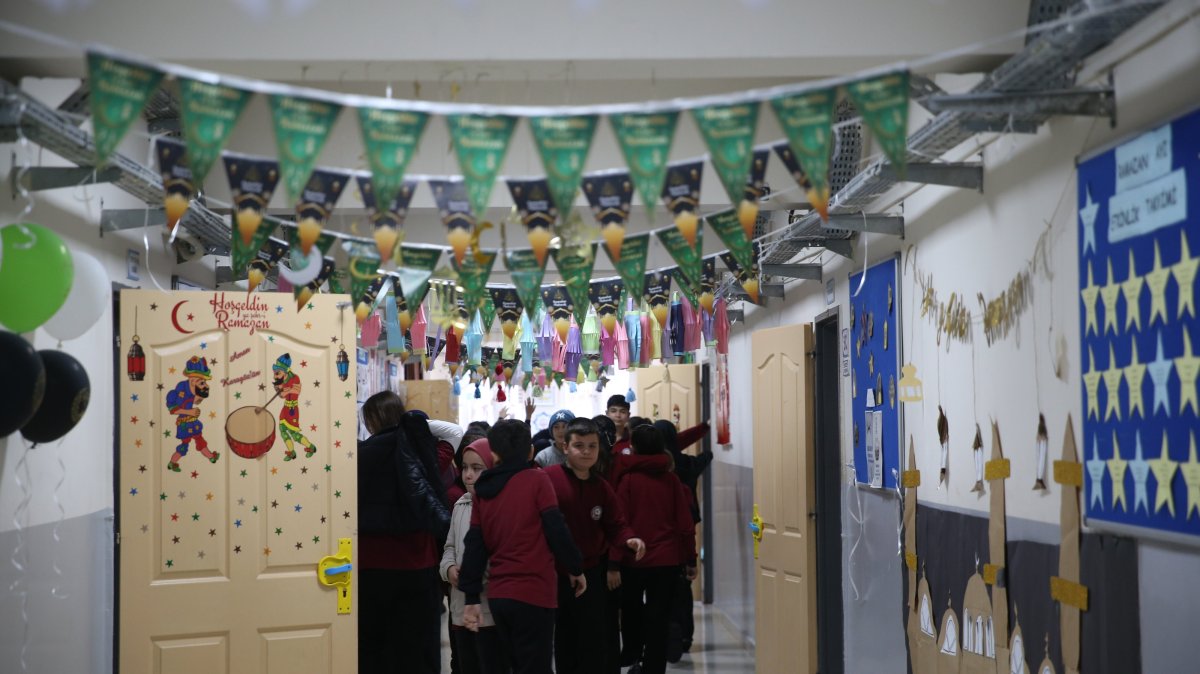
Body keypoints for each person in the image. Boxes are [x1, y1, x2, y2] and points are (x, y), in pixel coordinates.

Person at [459, 419, 586, 674]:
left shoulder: (483, 491)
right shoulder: (537, 481)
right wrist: (575, 567)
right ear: (529, 451)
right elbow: (555, 528)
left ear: (493, 454)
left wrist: (471, 596)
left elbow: (475, 545)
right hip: (535, 592)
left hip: (499, 596)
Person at [357, 391, 450, 674]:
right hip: (417, 559)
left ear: (370, 420)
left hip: (371, 562)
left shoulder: (360, 456)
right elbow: (453, 434)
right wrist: (415, 423)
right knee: (416, 643)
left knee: (375, 643)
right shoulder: (423, 450)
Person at [545, 418, 646, 674]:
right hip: (555, 574)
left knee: (593, 639)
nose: (587, 452)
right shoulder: (548, 479)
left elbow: (616, 523)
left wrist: (629, 538)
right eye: (579, 445)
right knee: (563, 638)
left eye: (592, 446)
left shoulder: (601, 486)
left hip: (592, 573)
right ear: (565, 447)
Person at [616, 425, 696, 674]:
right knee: (659, 616)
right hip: (667, 560)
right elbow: (685, 524)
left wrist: (615, 560)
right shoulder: (671, 480)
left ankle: (633, 655)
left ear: (635, 447)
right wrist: (690, 559)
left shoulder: (627, 479)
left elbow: (619, 522)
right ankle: (654, 667)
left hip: (633, 560)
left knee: (631, 611)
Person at [441, 438, 507, 674]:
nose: (468, 475)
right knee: (465, 664)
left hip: (488, 610)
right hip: (460, 608)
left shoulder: (500, 507)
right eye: (465, 468)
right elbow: (449, 547)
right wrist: (449, 570)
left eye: (477, 469)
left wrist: (473, 575)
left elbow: (501, 554)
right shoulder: (461, 504)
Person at [651, 419, 712, 659]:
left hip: (659, 532)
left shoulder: (652, 465)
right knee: (682, 588)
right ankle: (684, 636)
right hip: (685, 528)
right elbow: (705, 457)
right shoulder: (687, 463)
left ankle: (663, 637)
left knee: (659, 591)